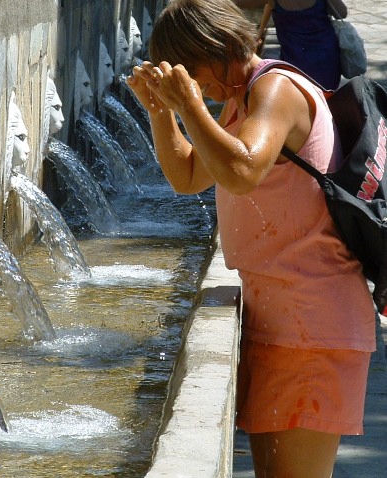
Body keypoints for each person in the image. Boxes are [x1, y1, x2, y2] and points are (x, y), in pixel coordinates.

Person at [126, 0, 376, 476]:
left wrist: (192, 106)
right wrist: (162, 112)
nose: (195, 87)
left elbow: (241, 170)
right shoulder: (243, 99)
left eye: (193, 74)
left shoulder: (275, 89)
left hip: (314, 324)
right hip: (282, 320)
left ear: (213, 48)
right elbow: (190, 175)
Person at [235, 0, 347, 90]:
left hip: (295, 61)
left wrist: (260, 29)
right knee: (328, 99)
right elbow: (342, 12)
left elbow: (240, 3)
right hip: (326, 57)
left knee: (301, 100)